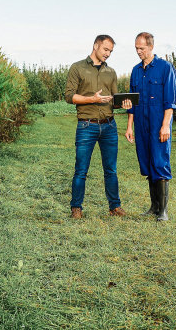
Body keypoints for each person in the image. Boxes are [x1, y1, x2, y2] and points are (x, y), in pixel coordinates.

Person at [64, 35, 130, 218]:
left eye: (110, 51)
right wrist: (92, 99)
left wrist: (123, 104)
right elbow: (69, 96)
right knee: (81, 170)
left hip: (109, 126)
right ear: (95, 46)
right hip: (87, 126)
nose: (108, 54)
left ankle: (114, 207)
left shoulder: (111, 72)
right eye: (105, 50)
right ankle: (76, 207)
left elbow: (115, 100)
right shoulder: (77, 68)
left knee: (111, 169)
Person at [124, 32, 176, 221]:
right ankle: (153, 207)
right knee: (147, 163)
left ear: (151, 47)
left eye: (142, 48)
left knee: (160, 162)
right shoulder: (136, 71)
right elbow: (131, 102)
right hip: (141, 124)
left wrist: (165, 126)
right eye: (136, 48)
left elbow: (170, 101)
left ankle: (163, 210)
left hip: (158, 124)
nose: (138, 51)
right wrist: (130, 126)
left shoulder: (165, 68)